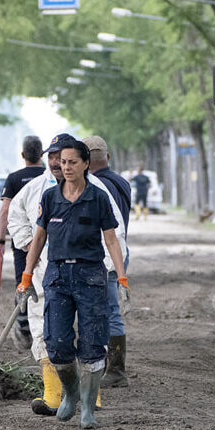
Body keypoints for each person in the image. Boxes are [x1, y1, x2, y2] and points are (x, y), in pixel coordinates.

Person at [8, 134, 126, 417]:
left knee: (91, 335)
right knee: (48, 333)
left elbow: (113, 236)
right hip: (48, 273)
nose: (59, 163)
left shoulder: (97, 192)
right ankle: (54, 393)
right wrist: (27, 263)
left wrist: (113, 273)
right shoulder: (39, 191)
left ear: (82, 163)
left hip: (89, 273)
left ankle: (89, 398)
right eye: (55, 158)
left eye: (66, 159)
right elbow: (18, 220)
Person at [83, 136, 132, 388]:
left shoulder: (97, 187)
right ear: (107, 158)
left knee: (108, 312)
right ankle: (112, 368)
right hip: (120, 252)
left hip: (105, 255)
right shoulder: (122, 182)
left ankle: (115, 371)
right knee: (111, 310)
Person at [0, 135, 44, 348]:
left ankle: (24, 329)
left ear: (23, 155)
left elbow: (6, 210)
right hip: (48, 239)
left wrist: (0, 240)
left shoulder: (14, 179)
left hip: (22, 241)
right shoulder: (50, 176)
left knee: (23, 280)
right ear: (42, 155)